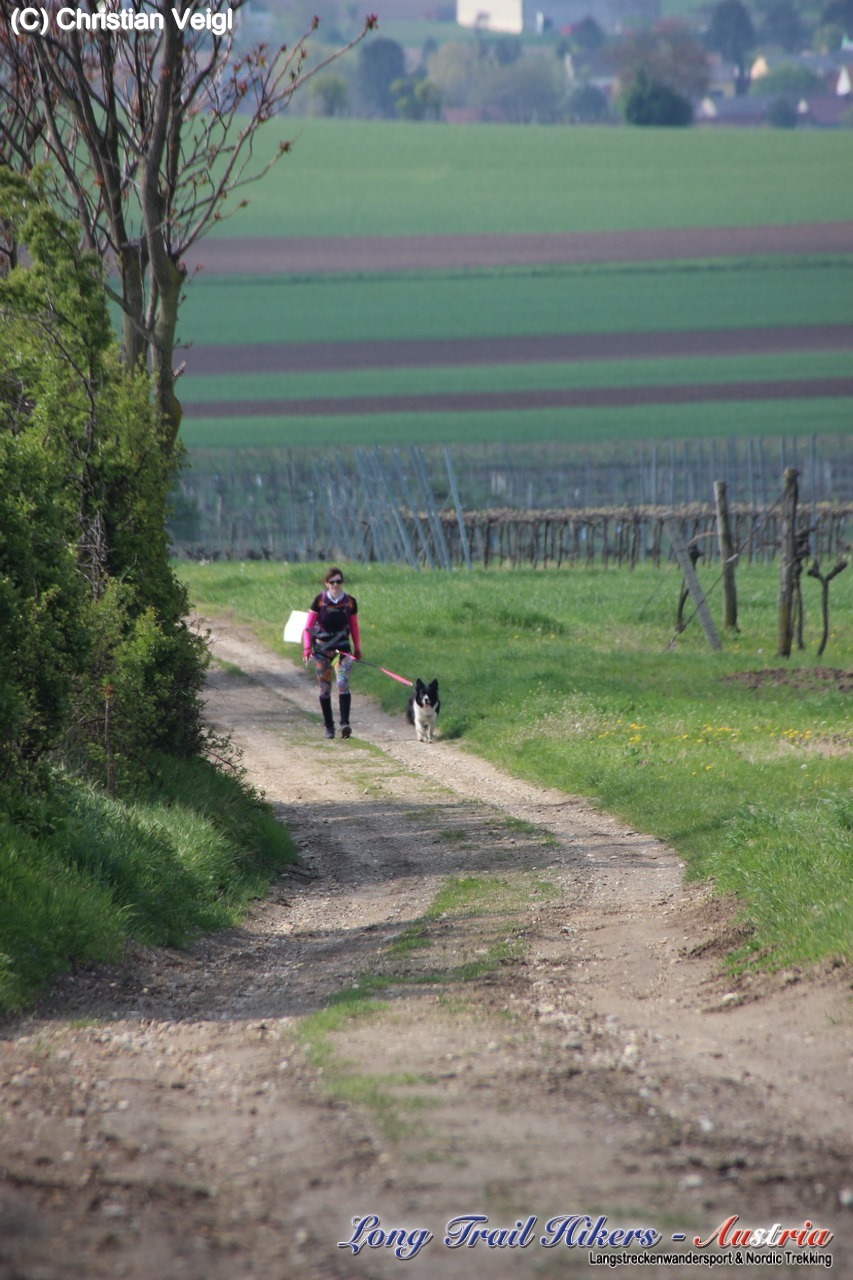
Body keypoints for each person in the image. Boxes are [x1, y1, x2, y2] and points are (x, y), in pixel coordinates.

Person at [303, 566, 361, 740]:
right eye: (332, 582)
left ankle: (345, 724)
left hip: (342, 651)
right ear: (326, 583)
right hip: (322, 651)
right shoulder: (319, 600)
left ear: (342, 582)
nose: (335, 585)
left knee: (343, 684)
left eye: (338, 581)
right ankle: (329, 727)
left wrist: (357, 648)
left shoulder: (350, 602)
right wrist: (307, 648)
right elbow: (308, 626)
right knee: (325, 689)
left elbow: (354, 626)